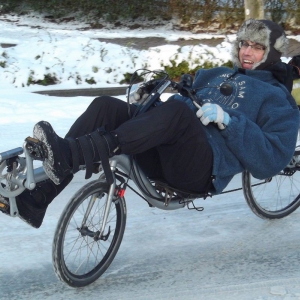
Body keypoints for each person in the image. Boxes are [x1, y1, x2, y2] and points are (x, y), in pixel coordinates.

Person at [1, 19, 299, 229]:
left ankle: (70, 153)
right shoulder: (217, 73)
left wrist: (229, 121)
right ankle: (37, 199)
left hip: (199, 169)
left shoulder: (275, 97)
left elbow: (271, 159)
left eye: (256, 47)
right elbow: (183, 90)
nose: (247, 52)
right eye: (243, 44)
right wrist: (152, 92)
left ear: (270, 53)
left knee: (179, 115)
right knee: (106, 106)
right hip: (164, 150)